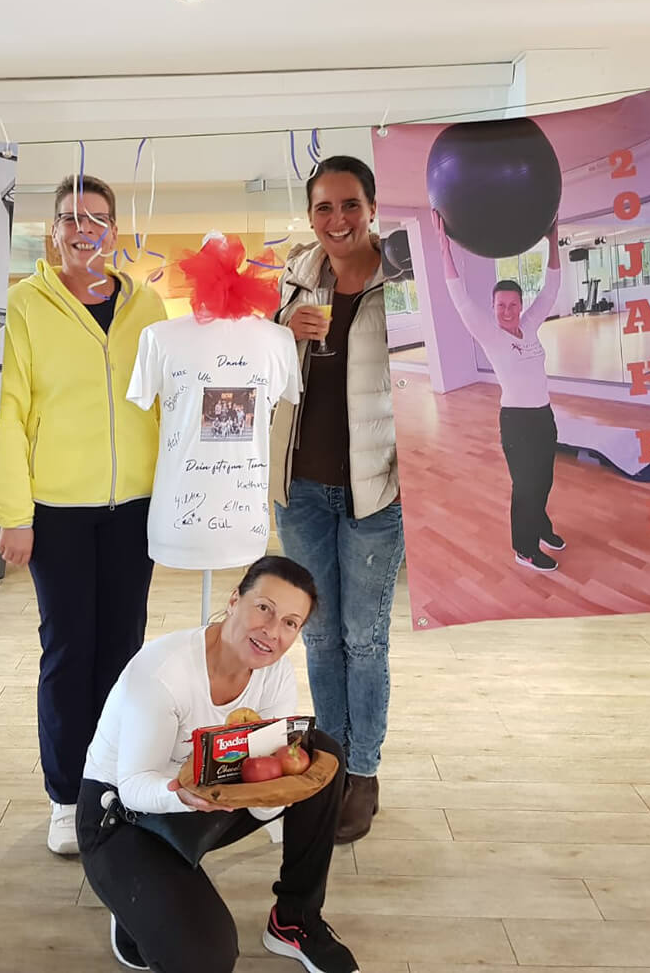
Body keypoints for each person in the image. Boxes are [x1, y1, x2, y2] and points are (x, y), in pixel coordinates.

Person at [0, 174, 167, 855]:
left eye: (95, 218)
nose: (83, 229)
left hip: (135, 509)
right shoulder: (25, 305)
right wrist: (14, 513)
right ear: (52, 233)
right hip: (57, 510)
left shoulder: (147, 304)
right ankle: (67, 796)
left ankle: (113, 783)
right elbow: (10, 411)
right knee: (69, 652)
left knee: (123, 652)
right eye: (70, 218)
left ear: (114, 231)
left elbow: (169, 400)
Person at [79, 556, 359, 973]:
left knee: (323, 754)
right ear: (233, 601)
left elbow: (265, 795)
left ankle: (294, 920)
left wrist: (275, 790)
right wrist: (186, 798)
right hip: (122, 814)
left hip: (214, 793)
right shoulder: (163, 672)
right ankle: (135, 903)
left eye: (290, 623)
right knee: (205, 960)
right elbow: (135, 785)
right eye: (264, 608)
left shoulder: (275, 674)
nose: (272, 631)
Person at [269, 155, 403, 845]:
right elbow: (261, 368)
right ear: (311, 216)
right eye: (324, 207)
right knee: (319, 634)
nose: (338, 219)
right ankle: (332, 764)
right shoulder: (296, 276)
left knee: (364, 637)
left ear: (372, 207)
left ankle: (365, 771)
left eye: (350, 204)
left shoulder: (402, 280)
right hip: (301, 489)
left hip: (376, 488)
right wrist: (280, 332)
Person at [432, 210, 564, 572]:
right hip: (517, 422)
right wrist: (444, 248)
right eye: (501, 305)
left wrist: (553, 240)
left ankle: (541, 527)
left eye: (513, 304)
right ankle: (524, 549)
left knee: (544, 481)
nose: (507, 310)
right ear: (492, 308)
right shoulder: (489, 334)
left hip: (544, 416)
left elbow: (551, 288)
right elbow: (459, 297)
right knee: (526, 486)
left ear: (521, 305)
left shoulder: (530, 325)